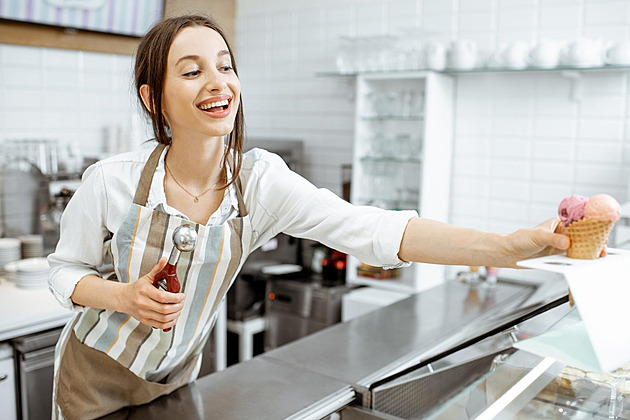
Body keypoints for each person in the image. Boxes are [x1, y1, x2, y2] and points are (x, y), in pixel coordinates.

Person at [47, 14, 570, 419]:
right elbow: (63, 271)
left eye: (225, 66)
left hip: (176, 378)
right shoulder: (111, 180)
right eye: (191, 71)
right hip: (92, 375)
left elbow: (375, 229)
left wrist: (507, 247)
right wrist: (121, 296)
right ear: (153, 98)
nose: (218, 82)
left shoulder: (260, 181)